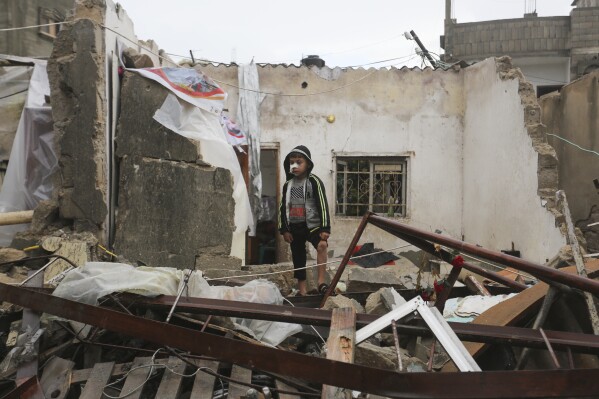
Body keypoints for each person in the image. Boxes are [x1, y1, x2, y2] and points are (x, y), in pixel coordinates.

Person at [278, 145, 330, 296]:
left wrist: (325, 228)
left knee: (321, 245)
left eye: (298, 162)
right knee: (298, 258)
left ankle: (321, 282)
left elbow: (323, 204)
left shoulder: (314, 181)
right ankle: (303, 291)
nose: (294, 165)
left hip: (313, 225)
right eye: (291, 162)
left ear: (308, 164)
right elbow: (283, 207)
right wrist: (285, 229)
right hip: (295, 226)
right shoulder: (288, 185)